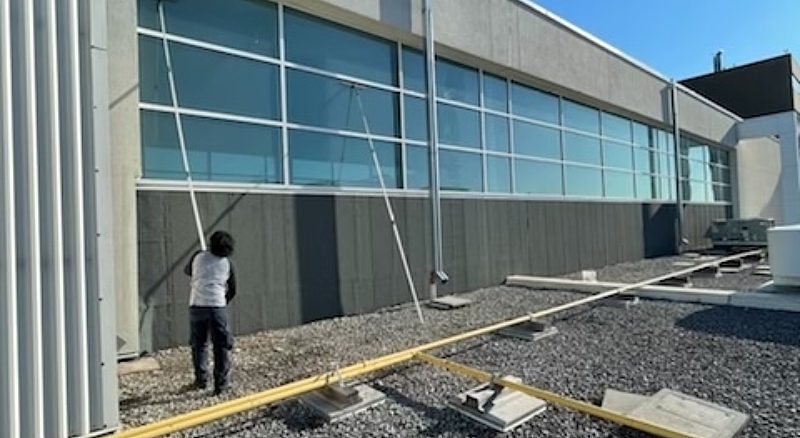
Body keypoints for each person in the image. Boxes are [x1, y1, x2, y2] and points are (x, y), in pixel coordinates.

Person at [183, 230, 237, 396]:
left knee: (199, 345)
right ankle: (220, 385)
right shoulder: (227, 264)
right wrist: (222, 301)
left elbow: (188, 271)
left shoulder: (198, 256)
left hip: (196, 305)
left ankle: (201, 379)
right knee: (220, 346)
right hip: (217, 307)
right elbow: (233, 289)